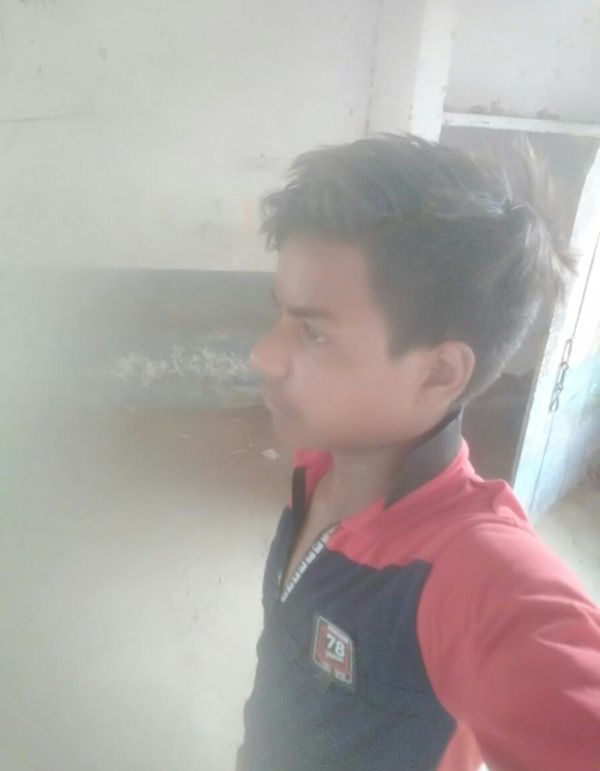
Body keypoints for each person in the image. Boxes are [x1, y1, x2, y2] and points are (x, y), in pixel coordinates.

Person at [236, 134, 600, 771]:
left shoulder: (471, 573)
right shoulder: (319, 461)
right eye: (281, 318)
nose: (263, 356)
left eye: (314, 332)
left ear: (438, 373)